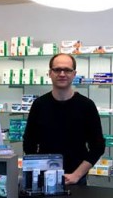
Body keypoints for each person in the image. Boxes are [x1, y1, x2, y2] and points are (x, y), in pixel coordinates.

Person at [23, 53, 105, 185]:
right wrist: (40, 171)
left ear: (74, 74)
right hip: (45, 177)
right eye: (57, 69)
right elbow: (29, 143)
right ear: (50, 73)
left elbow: (98, 147)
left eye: (67, 70)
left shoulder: (86, 105)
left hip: (76, 178)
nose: (62, 74)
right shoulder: (39, 104)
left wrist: (76, 175)